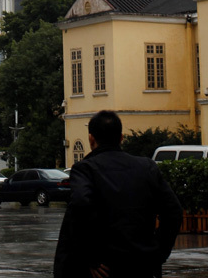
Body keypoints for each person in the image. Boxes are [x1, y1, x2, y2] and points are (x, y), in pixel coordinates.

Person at [54, 110, 183, 278]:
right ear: (121, 138)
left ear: (91, 138)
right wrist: (158, 252)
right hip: (143, 264)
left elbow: (81, 205)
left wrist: (91, 256)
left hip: (104, 268)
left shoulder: (85, 169)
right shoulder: (147, 167)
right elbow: (174, 211)